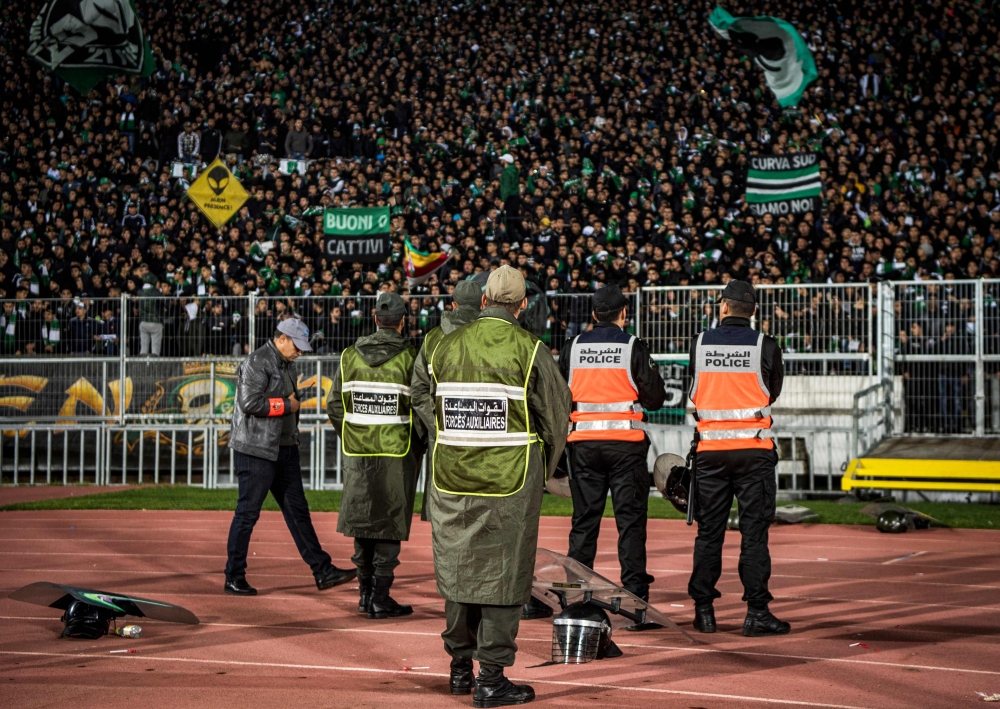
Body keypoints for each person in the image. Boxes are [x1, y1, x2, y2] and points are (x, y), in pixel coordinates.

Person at [413, 265, 571, 705]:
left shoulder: (443, 346)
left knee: (459, 571)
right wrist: (544, 464)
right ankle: (491, 678)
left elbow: (424, 398)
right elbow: (557, 419)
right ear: (522, 305)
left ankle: (460, 668)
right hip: (510, 480)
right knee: (504, 576)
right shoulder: (531, 350)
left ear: (484, 301)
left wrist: (445, 437)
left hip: (452, 479)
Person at [686, 280, 789, 637]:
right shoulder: (766, 345)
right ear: (755, 312)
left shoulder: (699, 344)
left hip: (710, 453)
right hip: (754, 453)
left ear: (723, 307)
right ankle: (757, 612)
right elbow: (772, 392)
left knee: (709, 535)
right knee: (754, 535)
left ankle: (704, 611)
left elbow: (694, 387)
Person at [225, 318, 354, 596]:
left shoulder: (284, 363)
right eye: (297, 346)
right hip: (257, 451)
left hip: (282, 448)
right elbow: (249, 403)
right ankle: (233, 576)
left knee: (298, 512)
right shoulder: (258, 361)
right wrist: (289, 405)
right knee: (247, 515)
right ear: (282, 338)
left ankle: (323, 570)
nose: (300, 352)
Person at [559, 284, 666, 602]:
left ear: (593, 314)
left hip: (583, 446)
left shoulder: (572, 346)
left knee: (584, 523)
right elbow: (655, 398)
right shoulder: (633, 346)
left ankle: (575, 597)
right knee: (630, 523)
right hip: (625, 446)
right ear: (624, 313)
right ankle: (635, 600)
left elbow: (559, 396)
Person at [326, 292, 425, 619]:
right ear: (402, 320)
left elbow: (334, 406)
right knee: (389, 524)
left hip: (358, 452)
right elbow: (421, 406)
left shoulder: (349, 356)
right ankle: (380, 598)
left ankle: (365, 596)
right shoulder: (412, 357)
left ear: (374, 317)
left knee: (362, 521)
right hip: (398, 452)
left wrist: (352, 434)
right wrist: (418, 445)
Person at [410, 280, 483, 522]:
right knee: (480, 517)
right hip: (483, 438)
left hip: (442, 439)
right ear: (483, 304)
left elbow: (418, 390)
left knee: (444, 518)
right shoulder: (493, 336)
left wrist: (438, 426)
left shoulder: (432, 338)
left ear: (453, 305)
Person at [138, 272, 163, 356]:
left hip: (143, 321)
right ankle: (154, 366)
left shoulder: (139, 292)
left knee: (143, 348)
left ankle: (141, 366)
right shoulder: (156, 293)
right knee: (155, 349)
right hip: (155, 322)